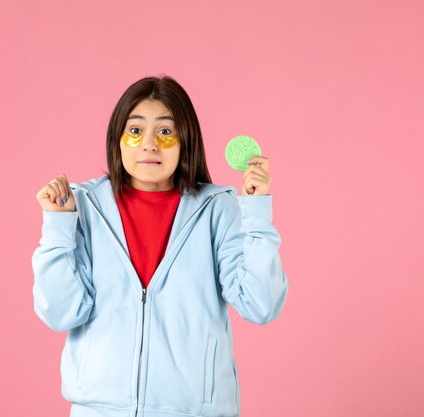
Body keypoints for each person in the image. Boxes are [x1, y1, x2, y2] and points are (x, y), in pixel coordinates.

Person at [32, 75, 289, 417]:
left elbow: (260, 305)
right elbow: (62, 312)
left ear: (186, 139)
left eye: (165, 131)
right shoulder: (83, 207)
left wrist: (255, 213)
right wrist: (58, 226)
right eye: (135, 130)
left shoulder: (217, 210)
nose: (149, 144)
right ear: (117, 138)